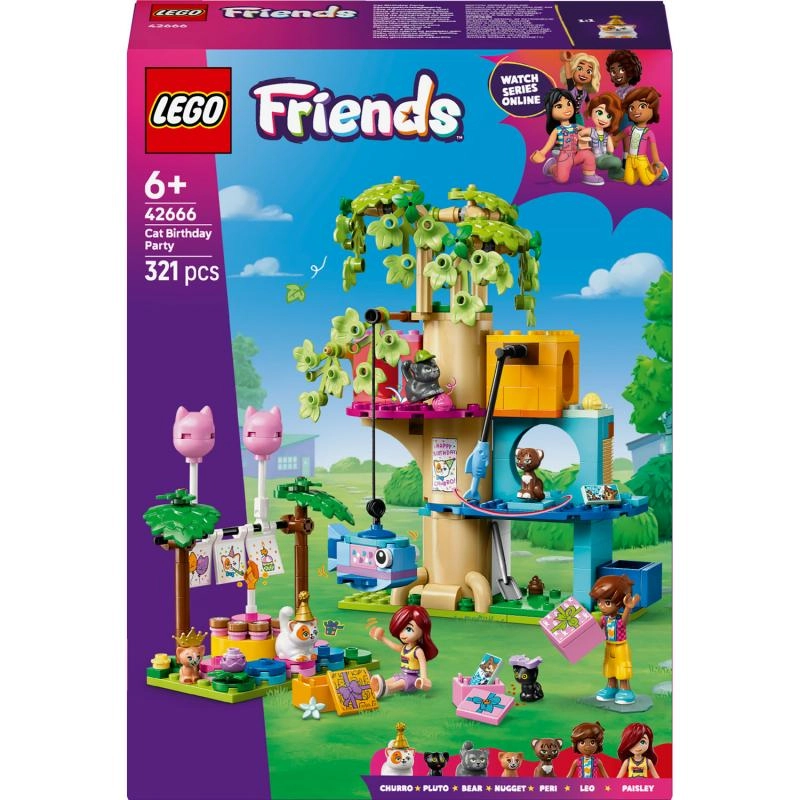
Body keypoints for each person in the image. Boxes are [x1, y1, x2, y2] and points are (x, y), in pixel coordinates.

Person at [530, 89, 603, 185]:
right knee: (562, 180)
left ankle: (589, 175)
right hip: (564, 157)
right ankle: (552, 168)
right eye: (559, 106)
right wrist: (542, 153)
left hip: (576, 154)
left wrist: (596, 132)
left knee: (588, 155)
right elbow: (550, 144)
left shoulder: (576, 126)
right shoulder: (557, 130)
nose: (567, 108)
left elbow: (588, 131)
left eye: (569, 104)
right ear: (550, 110)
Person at [589, 574, 640, 704]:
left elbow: (624, 622)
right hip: (609, 646)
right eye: (599, 602)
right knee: (609, 667)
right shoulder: (604, 619)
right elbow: (595, 630)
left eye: (607, 603)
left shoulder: (619, 619)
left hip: (621, 647)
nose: (602, 606)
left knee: (622, 667)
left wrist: (628, 608)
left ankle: (625, 689)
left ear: (619, 602)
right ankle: (611, 687)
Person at [369, 605, 438, 698]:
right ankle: (373, 686)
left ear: (422, 631)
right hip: (402, 675)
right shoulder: (404, 648)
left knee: (396, 685)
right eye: (401, 629)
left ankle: (383, 690)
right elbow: (394, 646)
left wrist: (424, 678)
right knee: (389, 680)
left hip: (412, 679)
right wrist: (382, 638)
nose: (402, 634)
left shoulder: (418, 651)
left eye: (409, 629)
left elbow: (423, 664)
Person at [586, 92, 625, 180]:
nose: (604, 119)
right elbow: (580, 134)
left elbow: (610, 149)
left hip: (606, 156)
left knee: (616, 161)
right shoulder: (590, 131)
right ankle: (615, 173)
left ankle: (615, 173)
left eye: (609, 116)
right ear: (591, 111)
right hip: (596, 158)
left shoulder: (606, 135)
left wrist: (610, 152)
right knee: (617, 162)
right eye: (599, 112)